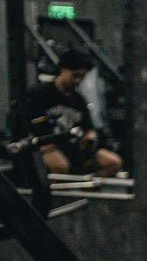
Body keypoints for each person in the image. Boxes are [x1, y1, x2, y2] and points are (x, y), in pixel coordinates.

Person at [27, 48, 123, 177]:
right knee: (60, 166)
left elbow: (88, 128)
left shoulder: (79, 100)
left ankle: (87, 193)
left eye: (82, 77)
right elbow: (26, 124)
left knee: (113, 162)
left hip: (74, 150)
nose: (78, 81)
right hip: (47, 147)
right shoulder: (39, 94)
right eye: (75, 75)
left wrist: (90, 137)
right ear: (63, 69)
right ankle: (58, 197)